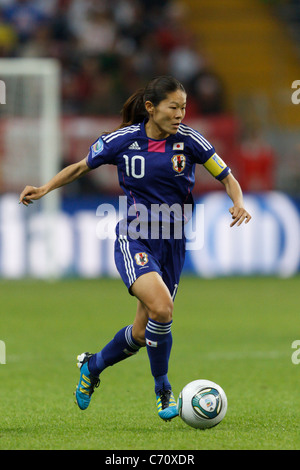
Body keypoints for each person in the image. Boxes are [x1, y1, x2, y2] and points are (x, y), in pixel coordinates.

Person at [19, 75, 251, 422]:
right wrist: (45, 188)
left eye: (184, 108)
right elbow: (81, 167)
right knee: (163, 308)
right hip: (135, 237)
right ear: (150, 108)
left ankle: (92, 365)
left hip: (173, 243)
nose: (180, 114)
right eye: (173, 107)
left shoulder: (190, 142)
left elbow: (227, 176)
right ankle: (163, 391)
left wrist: (239, 202)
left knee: (143, 333)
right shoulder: (122, 141)